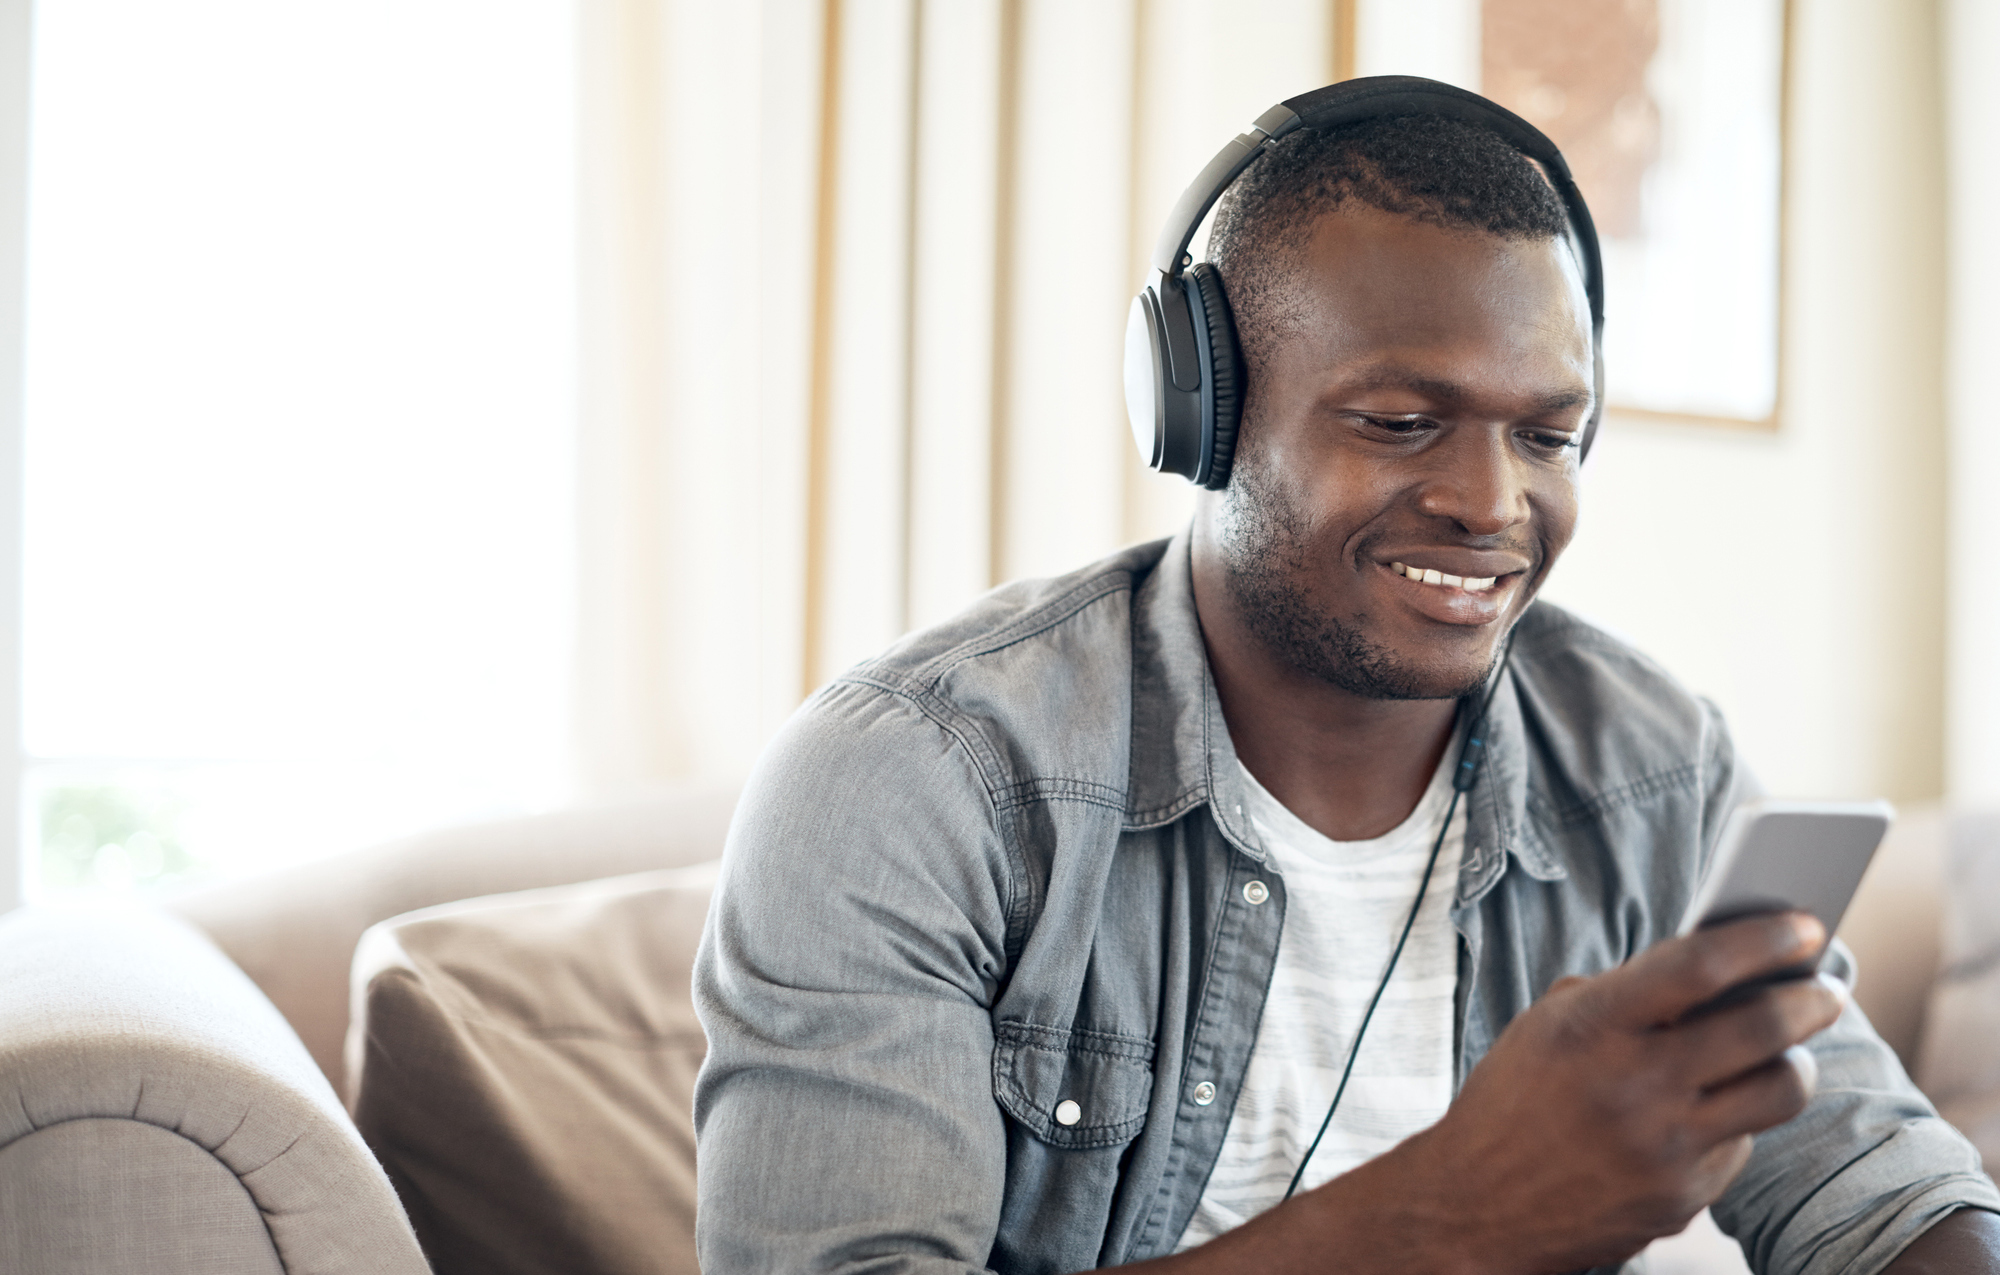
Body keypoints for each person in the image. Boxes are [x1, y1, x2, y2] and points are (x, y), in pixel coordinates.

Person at [691, 82, 2000, 1275]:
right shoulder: (918, 784)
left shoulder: (1650, 769)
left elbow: (1886, 1202)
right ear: (1202, 415)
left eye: (1546, 436)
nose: (1494, 505)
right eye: (1399, 423)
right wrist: (1449, 1220)